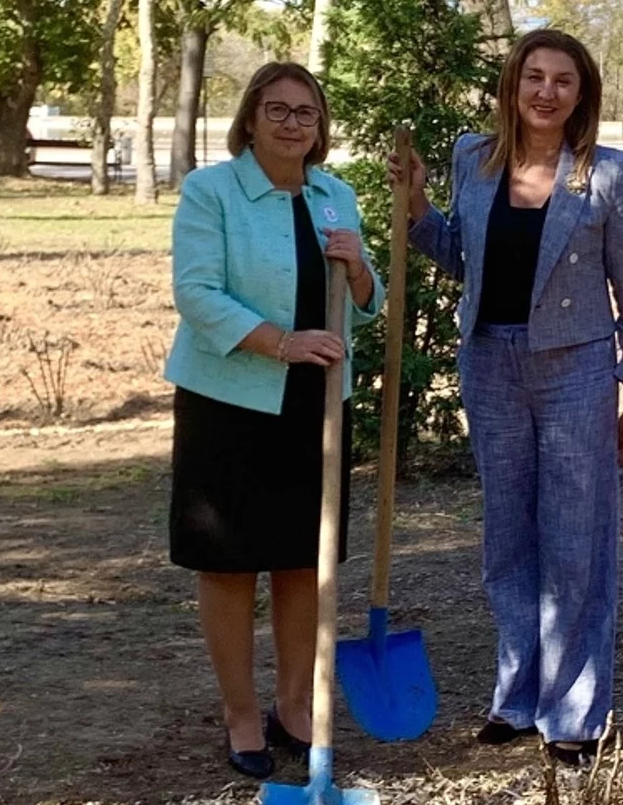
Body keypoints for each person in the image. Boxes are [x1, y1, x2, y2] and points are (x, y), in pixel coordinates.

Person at [389, 29, 623, 767]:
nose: (546, 92)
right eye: (533, 77)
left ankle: (574, 713)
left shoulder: (605, 173)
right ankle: (516, 696)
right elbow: (456, 255)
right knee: (508, 539)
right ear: (513, 86)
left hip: (576, 369)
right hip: (491, 366)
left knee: (576, 542)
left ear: (582, 94)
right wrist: (414, 207)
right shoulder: (473, 158)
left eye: (562, 81)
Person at [163, 62, 382, 781]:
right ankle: (241, 714)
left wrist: (358, 270)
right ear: (251, 119)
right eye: (279, 110)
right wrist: (280, 342)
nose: (294, 124)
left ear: (321, 128)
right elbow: (196, 293)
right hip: (230, 401)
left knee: (302, 559)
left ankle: (295, 708)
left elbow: (370, 298)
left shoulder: (334, 194)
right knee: (231, 564)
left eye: (307, 113)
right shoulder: (212, 191)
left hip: (313, 405)